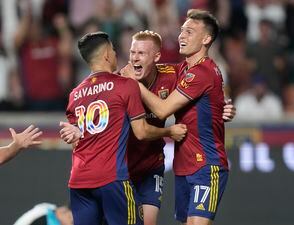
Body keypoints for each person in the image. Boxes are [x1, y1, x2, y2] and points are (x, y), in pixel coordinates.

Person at [61, 30, 236, 225]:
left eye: (141, 54)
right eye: (132, 52)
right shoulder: (119, 83)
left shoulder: (174, 74)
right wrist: (78, 129)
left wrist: (222, 106)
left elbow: (204, 86)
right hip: (122, 168)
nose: (135, 58)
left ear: (157, 57)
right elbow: (128, 127)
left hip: (150, 164)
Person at [126, 9, 229, 225]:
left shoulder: (201, 72)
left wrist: (133, 83)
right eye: (182, 31)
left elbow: (163, 110)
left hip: (206, 163)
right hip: (184, 164)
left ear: (206, 39)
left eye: (190, 32)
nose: (181, 36)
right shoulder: (182, 69)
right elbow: (154, 72)